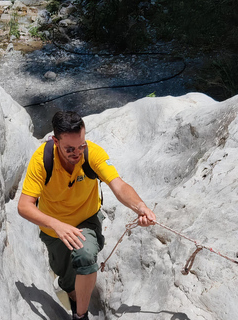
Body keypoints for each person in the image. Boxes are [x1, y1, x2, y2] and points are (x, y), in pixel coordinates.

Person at [17, 111, 156, 320]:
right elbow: (24, 206)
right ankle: (72, 293)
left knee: (86, 256)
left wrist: (140, 207)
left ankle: (80, 316)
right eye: (69, 149)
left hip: (86, 220)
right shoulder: (42, 161)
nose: (77, 153)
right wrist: (57, 225)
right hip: (54, 229)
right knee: (68, 282)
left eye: (81, 146)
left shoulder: (93, 154)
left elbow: (117, 184)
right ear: (55, 141)